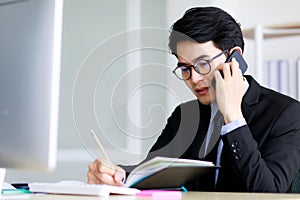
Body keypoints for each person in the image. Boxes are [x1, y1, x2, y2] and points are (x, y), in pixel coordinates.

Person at [87, 6, 300, 192]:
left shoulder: (287, 114)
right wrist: (116, 176)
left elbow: (269, 191)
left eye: (203, 64)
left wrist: (233, 116)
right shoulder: (185, 115)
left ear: (235, 58)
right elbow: (152, 174)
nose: (194, 79)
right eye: (185, 68)